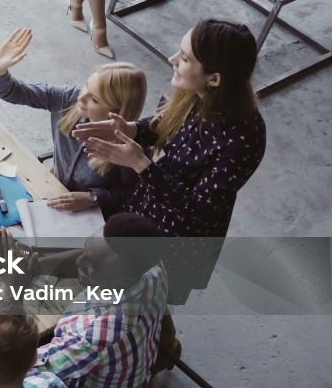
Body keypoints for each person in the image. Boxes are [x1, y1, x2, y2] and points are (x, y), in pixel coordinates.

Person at [0, 214, 168, 388]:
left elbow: (10, 372)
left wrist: (12, 284)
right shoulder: (153, 268)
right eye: (87, 250)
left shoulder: (95, 336)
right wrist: (33, 263)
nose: (81, 261)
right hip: (126, 371)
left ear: (123, 279)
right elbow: (87, 258)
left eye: (93, 265)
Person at [73, 18, 266, 238]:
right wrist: (131, 129)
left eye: (184, 58)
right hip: (143, 208)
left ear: (213, 79)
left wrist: (140, 164)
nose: (171, 59)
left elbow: (197, 211)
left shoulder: (243, 139)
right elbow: (163, 125)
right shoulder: (193, 93)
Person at [0, 28, 147, 217]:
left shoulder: (130, 147)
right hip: (53, 189)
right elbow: (13, 92)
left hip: (89, 214)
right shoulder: (69, 98)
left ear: (117, 111)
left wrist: (93, 198)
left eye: (95, 99)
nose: (81, 97)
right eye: (87, 85)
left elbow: (130, 196)